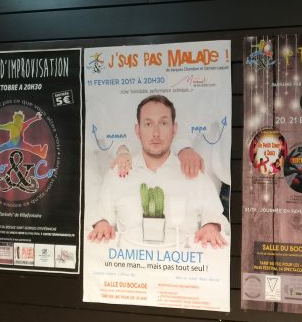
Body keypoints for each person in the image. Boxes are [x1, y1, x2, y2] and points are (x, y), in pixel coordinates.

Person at [88, 95, 227, 248]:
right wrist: (101, 224)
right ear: (138, 130)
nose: (156, 133)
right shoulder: (118, 174)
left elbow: (216, 217)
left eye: (163, 123)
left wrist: (212, 227)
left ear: (174, 129)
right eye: (148, 124)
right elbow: (102, 217)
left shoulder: (193, 171)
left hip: (181, 260)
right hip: (130, 260)